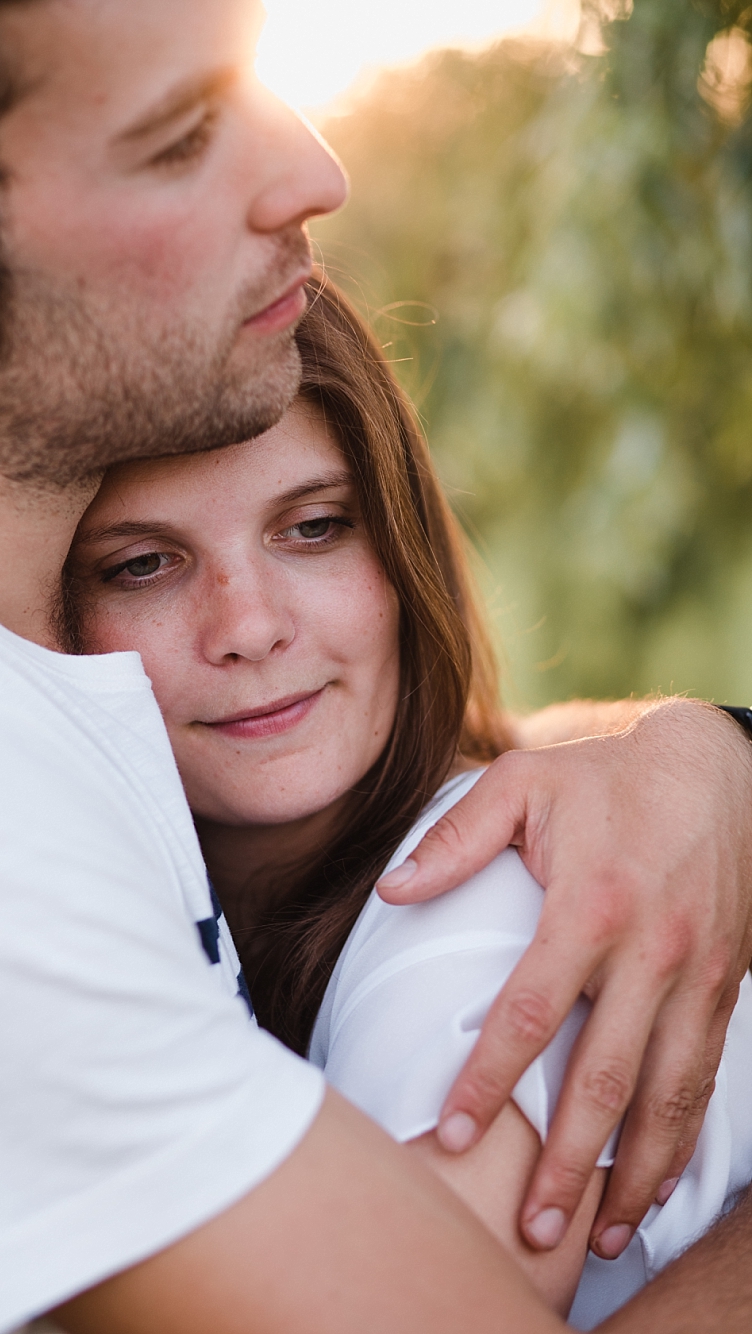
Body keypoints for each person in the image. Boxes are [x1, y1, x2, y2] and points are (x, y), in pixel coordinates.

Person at [0, 1, 752, 1331]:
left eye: (319, 526)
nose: (318, 174)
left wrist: (701, 749)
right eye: (177, 139)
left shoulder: (459, 907)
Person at [64, 276, 752, 1328]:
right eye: (145, 563)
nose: (246, 625)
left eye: (313, 527)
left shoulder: (466, 906)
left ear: (400, 549)